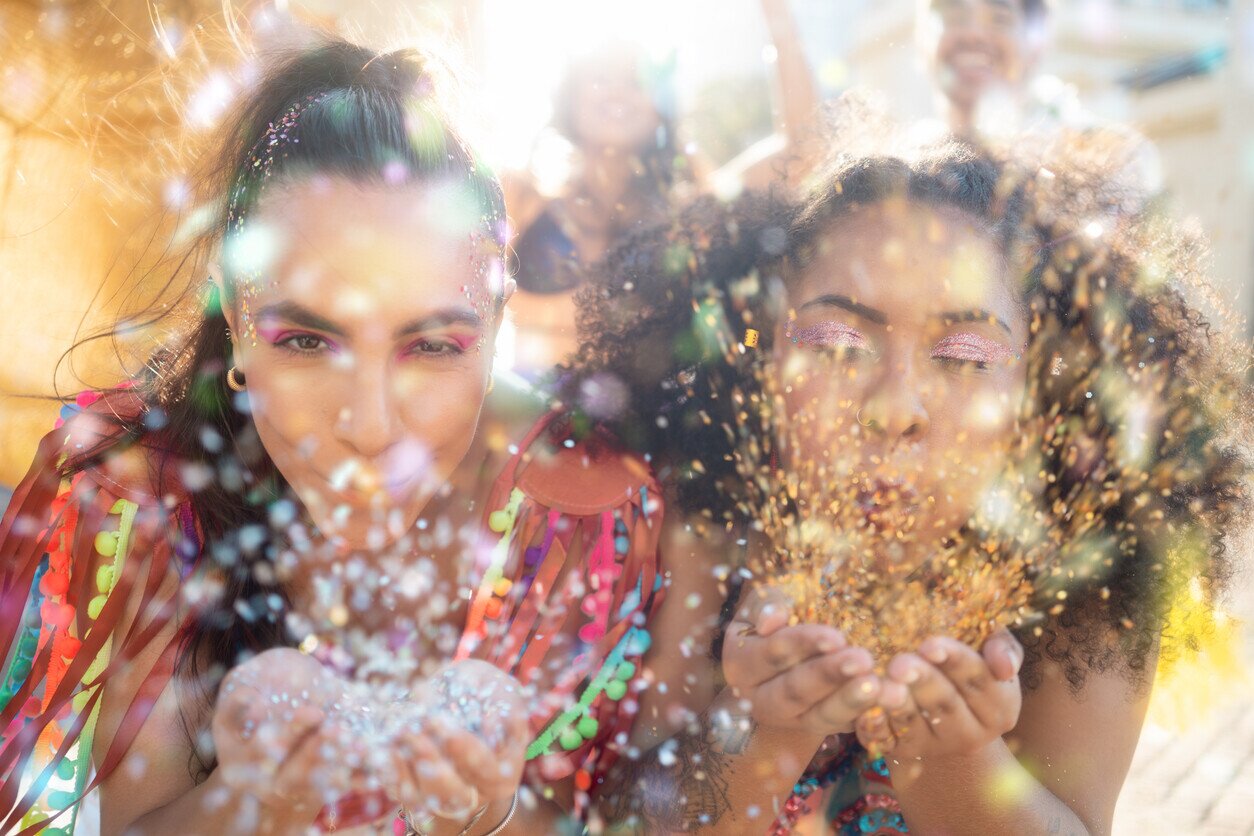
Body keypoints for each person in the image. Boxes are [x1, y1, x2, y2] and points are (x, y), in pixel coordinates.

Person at [0, 37, 664, 835]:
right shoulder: (163, 503)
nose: (372, 428)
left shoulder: (575, 511)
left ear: (495, 326)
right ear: (235, 324)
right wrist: (251, 806)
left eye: (432, 346)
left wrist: (489, 816)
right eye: (306, 341)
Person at [569, 130, 1250, 832]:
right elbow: (630, 820)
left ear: (1035, 394)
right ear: (765, 364)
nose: (894, 407)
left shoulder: (1091, 566)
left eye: (962, 354)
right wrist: (769, 732)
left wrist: (956, 756)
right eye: (836, 346)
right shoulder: (711, 523)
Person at [503, 0, 821, 374]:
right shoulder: (520, 201)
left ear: (661, 107)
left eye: (636, 80)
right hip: (525, 427)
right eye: (601, 77)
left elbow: (805, 148)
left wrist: (778, 18)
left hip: (645, 430)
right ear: (571, 98)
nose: (617, 91)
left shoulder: (690, 215)